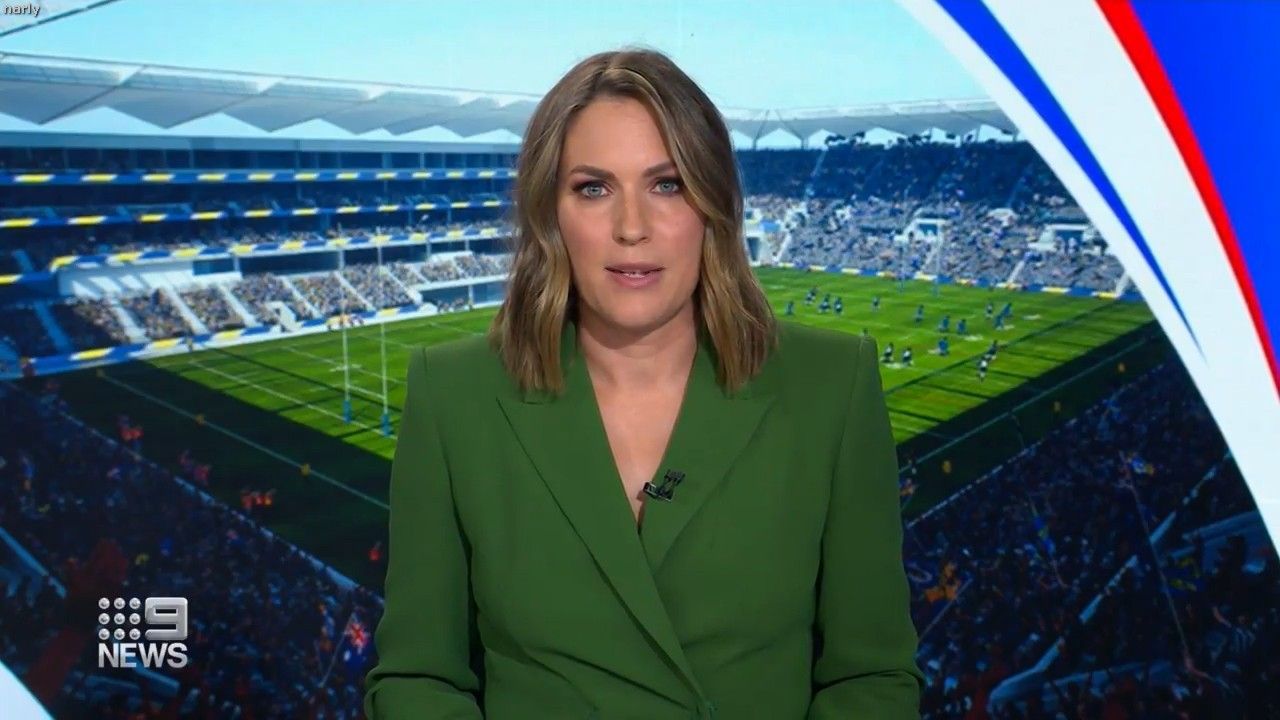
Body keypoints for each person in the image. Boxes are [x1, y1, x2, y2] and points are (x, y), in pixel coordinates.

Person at [364, 48, 922, 720]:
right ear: (549, 213)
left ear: (714, 203)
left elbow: (872, 678)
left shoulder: (833, 385)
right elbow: (418, 678)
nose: (632, 228)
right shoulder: (451, 394)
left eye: (668, 185)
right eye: (593, 188)